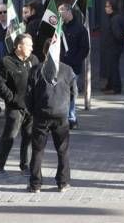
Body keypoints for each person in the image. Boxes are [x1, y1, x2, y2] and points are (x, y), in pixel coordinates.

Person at [26, 39, 77, 193]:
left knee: (37, 150)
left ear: (44, 51)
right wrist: (68, 109)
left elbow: (29, 94)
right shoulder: (67, 70)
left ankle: (35, 184)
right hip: (61, 114)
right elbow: (74, 93)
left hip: (41, 113)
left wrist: (33, 110)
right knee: (63, 150)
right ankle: (63, 182)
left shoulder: (36, 69)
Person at [0, 33, 39, 175]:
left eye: (32, 45)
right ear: (19, 46)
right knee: (9, 136)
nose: (31, 48)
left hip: (31, 106)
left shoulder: (34, 60)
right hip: (15, 107)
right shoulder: (6, 61)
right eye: (28, 45)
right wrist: (11, 99)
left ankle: (25, 166)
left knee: (29, 137)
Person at [58, 3, 90, 129]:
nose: (60, 14)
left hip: (72, 67)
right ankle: (64, 117)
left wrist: (76, 61)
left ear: (68, 11)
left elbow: (85, 48)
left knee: (71, 93)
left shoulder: (80, 29)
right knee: (61, 92)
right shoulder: (60, 28)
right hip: (60, 65)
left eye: (61, 11)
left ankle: (71, 117)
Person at [100, 0, 124, 95]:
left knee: (113, 67)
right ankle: (110, 85)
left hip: (113, 48)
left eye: (108, 6)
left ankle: (116, 88)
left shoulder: (115, 19)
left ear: (112, 7)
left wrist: (123, 41)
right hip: (111, 47)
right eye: (106, 6)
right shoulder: (112, 17)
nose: (106, 8)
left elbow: (118, 34)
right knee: (110, 66)